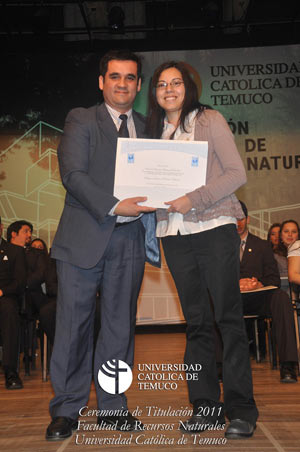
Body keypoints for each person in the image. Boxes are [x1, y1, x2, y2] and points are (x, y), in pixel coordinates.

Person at [46, 49, 160, 441]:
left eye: (130, 78)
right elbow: (73, 174)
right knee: (73, 328)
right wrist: (115, 205)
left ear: (139, 85)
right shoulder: (81, 119)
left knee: (118, 329)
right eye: (115, 76)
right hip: (83, 238)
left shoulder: (148, 126)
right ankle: (67, 408)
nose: (122, 84)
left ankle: (113, 408)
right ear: (101, 81)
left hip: (129, 240)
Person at [146, 61, 258, 439]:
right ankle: (206, 407)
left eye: (176, 82)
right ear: (155, 93)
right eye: (162, 84)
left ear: (188, 87)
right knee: (196, 323)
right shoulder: (153, 131)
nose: (169, 89)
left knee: (227, 318)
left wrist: (193, 198)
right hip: (173, 234)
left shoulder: (209, 119)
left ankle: (241, 408)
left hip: (213, 228)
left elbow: (236, 174)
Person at [237, 201, 298, 382]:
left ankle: (288, 366)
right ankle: (218, 366)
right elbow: (214, 277)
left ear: (247, 219)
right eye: (232, 219)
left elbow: (274, 279)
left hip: (259, 298)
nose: (237, 222)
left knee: (281, 298)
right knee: (211, 299)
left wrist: (258, 284)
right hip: (232, 299)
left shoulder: (262, 245)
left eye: (240, 218)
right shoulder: (220, 247)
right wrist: (236, 284)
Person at [0, 216, 26, 389]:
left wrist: (2, 291)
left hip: (5, 296)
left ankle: (10, 372)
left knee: (8, 309)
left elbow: (20, 281)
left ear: (1, 227)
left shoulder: (14, 251)